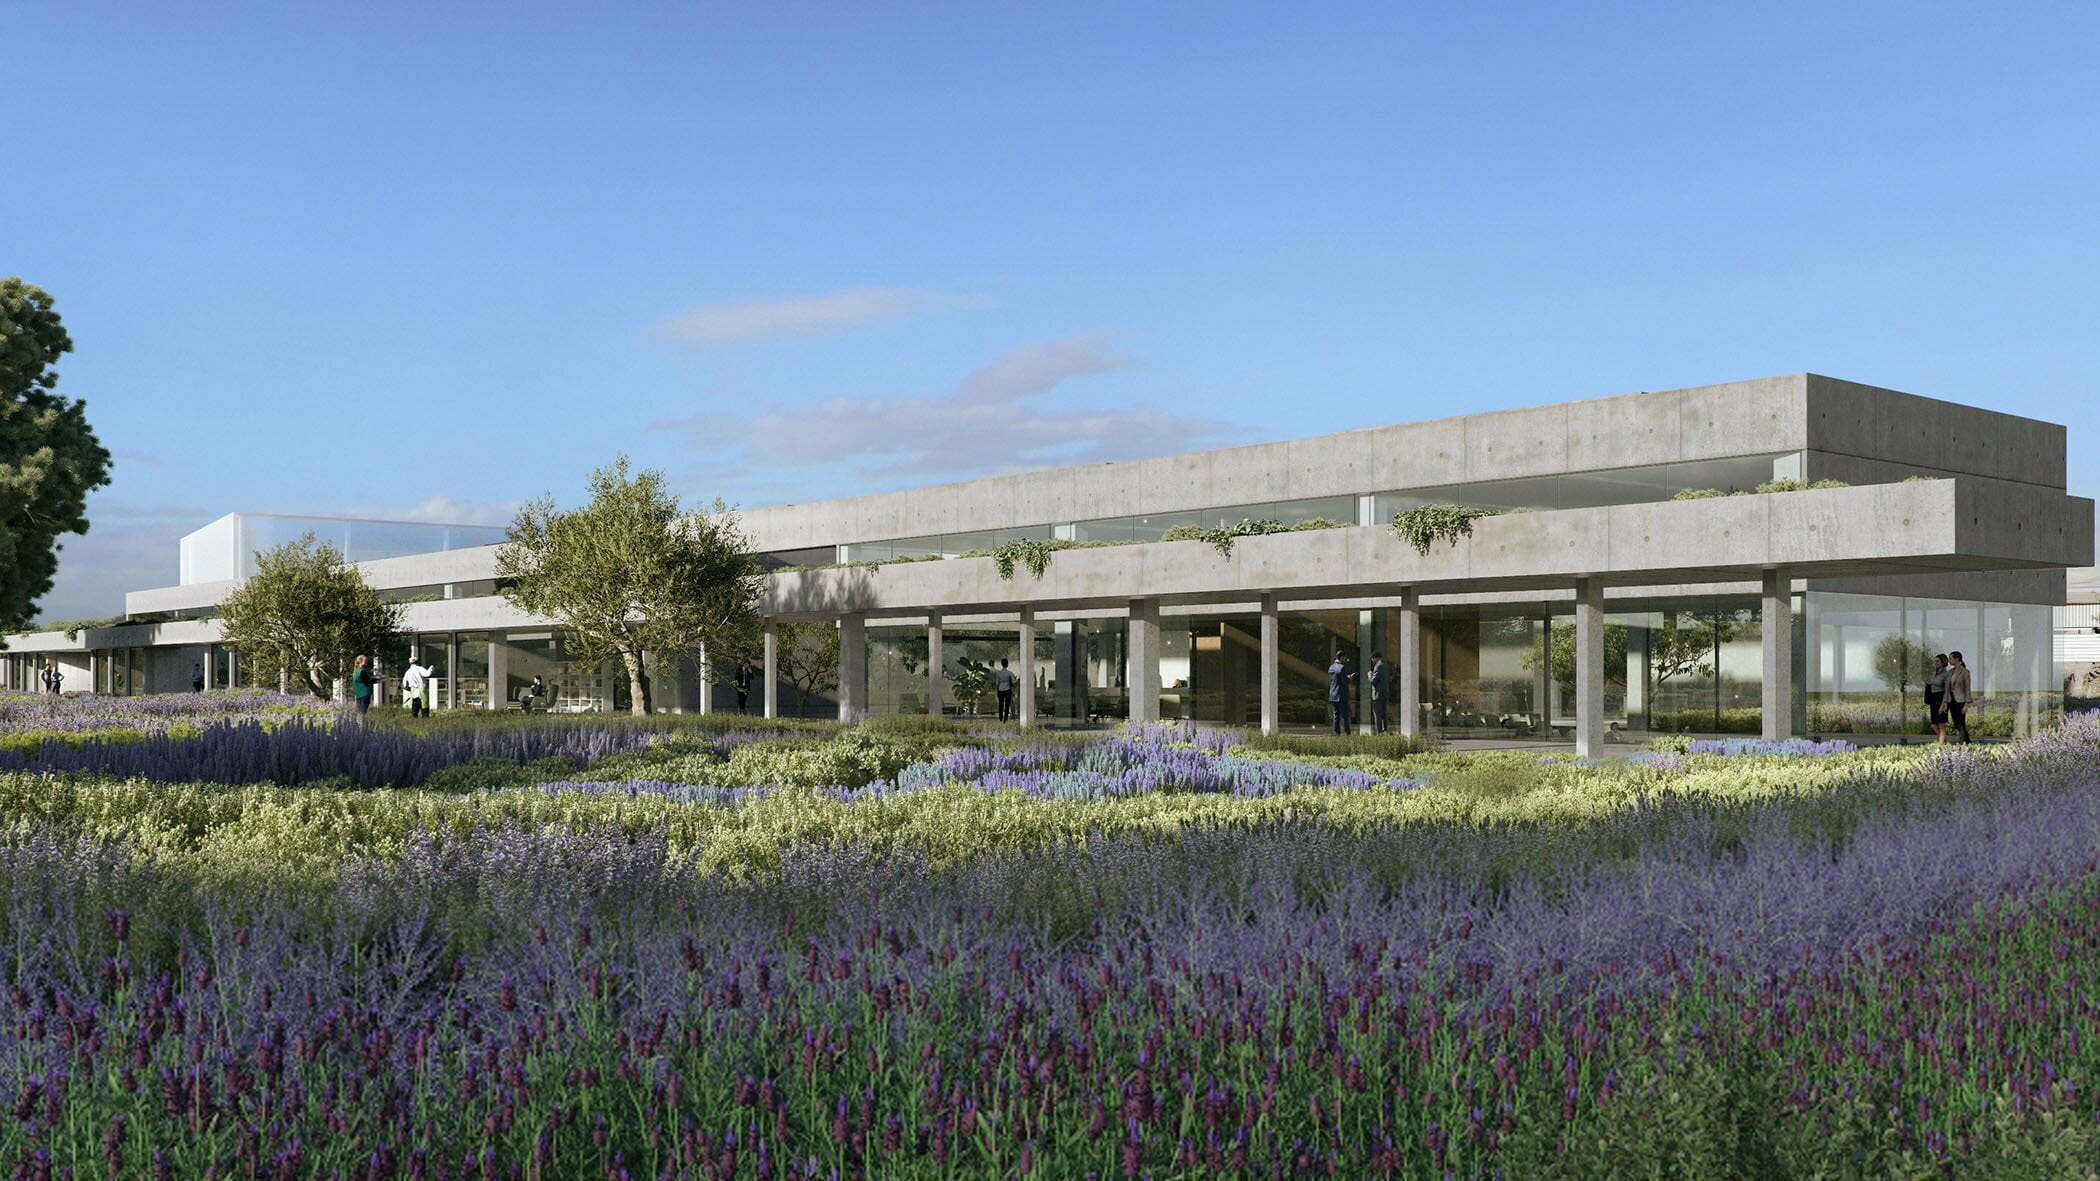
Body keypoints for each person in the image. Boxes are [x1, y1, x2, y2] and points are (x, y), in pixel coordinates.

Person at [1945, 650, 1973, 744]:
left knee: (1960, 722)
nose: (1949, 661)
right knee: (1956, 722)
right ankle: (1967, 741)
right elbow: (1947, 688)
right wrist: (1945, 702)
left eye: (1950, 658)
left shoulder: (1965, 672)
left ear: (1957, 659)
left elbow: (1967, 688)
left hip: (1960, 700)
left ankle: (1962, 742)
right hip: (1951, 700)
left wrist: (1966, 704)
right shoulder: (1950, 672)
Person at [1925, 653, 1950, 743]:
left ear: (1943, 662)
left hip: (1941, 698)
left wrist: (1944, 704)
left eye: (1937, 661)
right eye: (1934, 661)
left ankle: (1941, 744)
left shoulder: (1946, 674)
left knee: (1941, 724)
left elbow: (1947, 690)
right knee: (1933, 725)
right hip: (1933, 699)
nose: (1935, 663)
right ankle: (1943, 741)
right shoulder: (1935, 673)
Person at [1327, 651, 1352, 736]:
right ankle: (1347, 733)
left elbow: (1332, 680)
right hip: (1341, 695)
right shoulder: (1342, 667)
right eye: (1345, 657)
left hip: (1333, 695)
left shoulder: (1331, 667)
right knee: (1345, 715)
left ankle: (1337, 733)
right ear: (1341, 657)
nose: (1345, 659)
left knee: (1336, 715)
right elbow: (1344, 681)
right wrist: (1349, 678)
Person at [991, 658, 1020, 723]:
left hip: (1000, 690)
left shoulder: (998, 673)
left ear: (1001, 664)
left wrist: (997, 691)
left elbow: (997, 683)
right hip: (1007, 690)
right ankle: (1005, 718)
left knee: (1000, 704)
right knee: (1007, 705)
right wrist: (1017, 680)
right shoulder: (1010, 673)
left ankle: (1000, 717)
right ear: (1007, 664)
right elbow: (1013, 682)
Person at [1366, 654, 1389, 733]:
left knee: (1377, 714)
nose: (1372, 661)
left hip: (1378, 694)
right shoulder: (1385, 666)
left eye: (1372, 659)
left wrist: (1369, 675)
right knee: (1383, 714)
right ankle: (1384, 729)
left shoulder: (1377, 666)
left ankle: (1379, 731)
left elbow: (1373, 681)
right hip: (1384, 693)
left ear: (1375, 658)